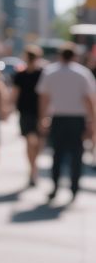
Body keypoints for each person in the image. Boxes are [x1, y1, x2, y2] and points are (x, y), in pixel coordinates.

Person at [36, 43, 96, 201]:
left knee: (57, 154)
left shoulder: (50, 72)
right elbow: (89, 99)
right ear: (75, 56)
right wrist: (92, 121)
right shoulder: (83, 73)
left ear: (60, 55)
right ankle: (74, 188)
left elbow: (44, 98)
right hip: (77, 119)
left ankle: (55, 186)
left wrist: (43, 118)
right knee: (77, 155)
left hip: (58, 118)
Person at [12, 46, 44, 187]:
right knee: (31, 141)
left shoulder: (42, 74)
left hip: (39, 112)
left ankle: (33, 167)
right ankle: (32, 170)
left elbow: (46, 95)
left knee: (37, 143)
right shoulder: (20, 75)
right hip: (26, 112)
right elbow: (15, 93)